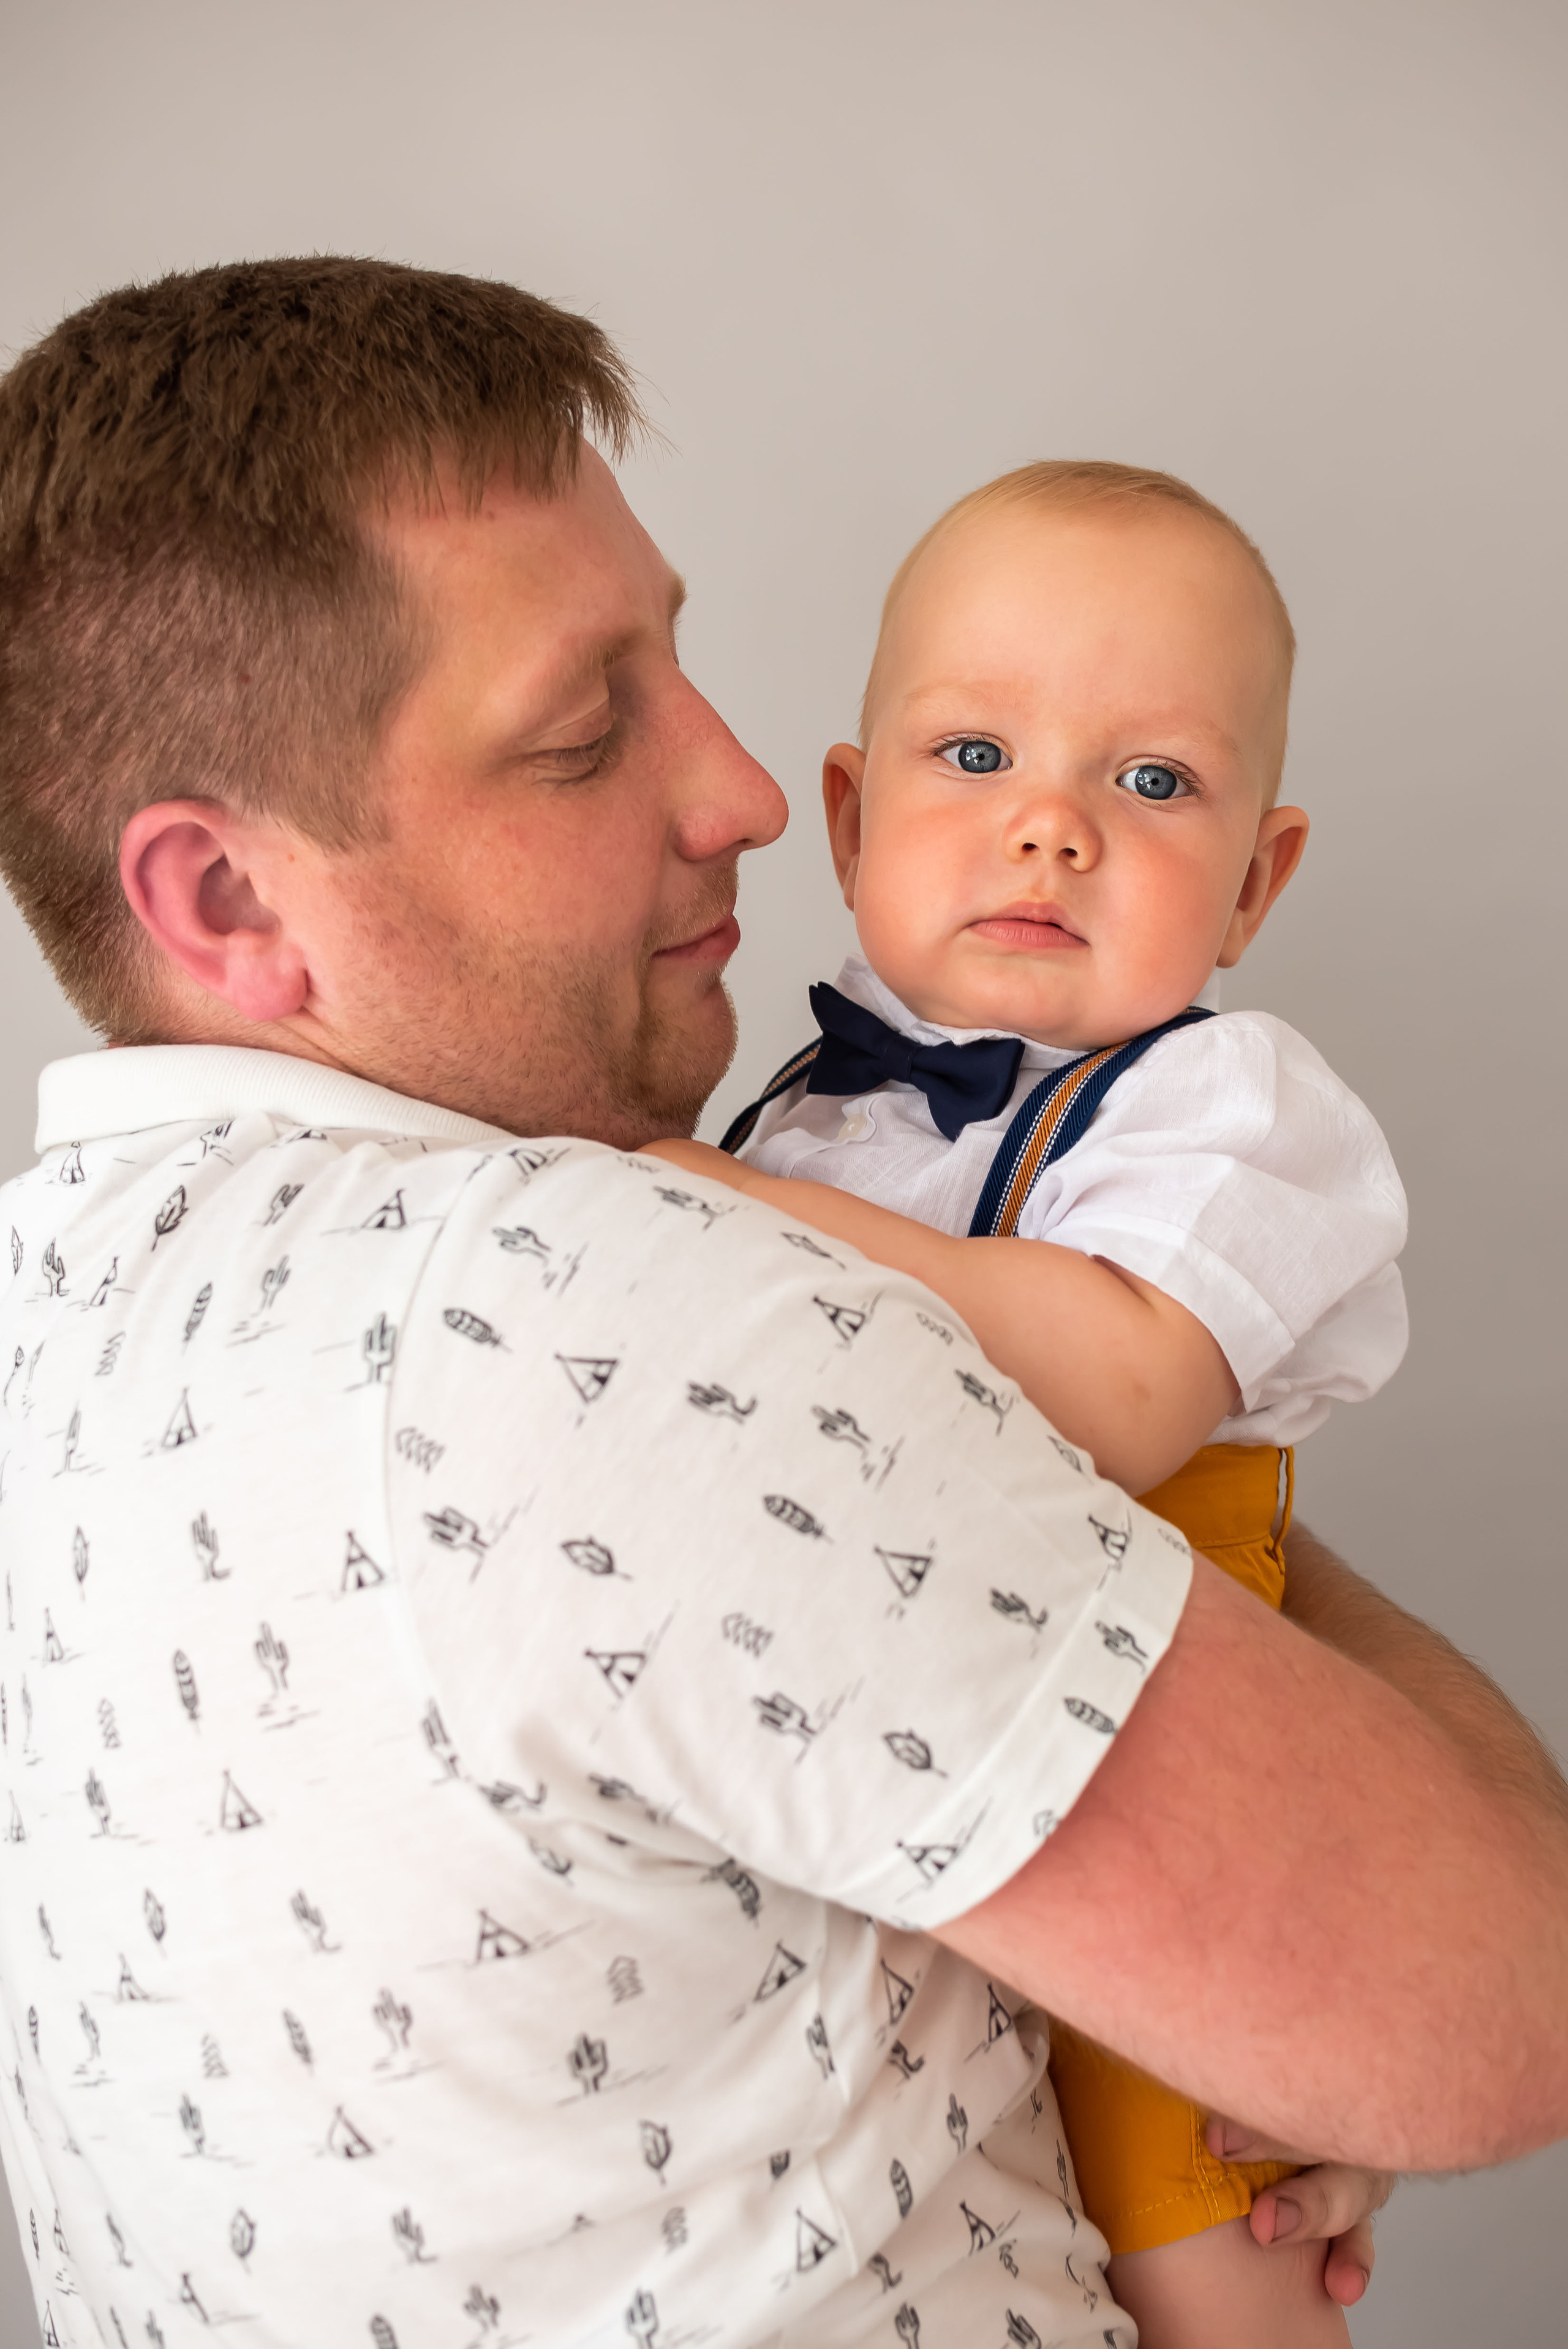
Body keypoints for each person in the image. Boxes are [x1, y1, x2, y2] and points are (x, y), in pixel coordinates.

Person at [0, 262, 1564, 2349]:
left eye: (679, 665)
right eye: (582, 734)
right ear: (225, 898)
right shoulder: (595, 1291)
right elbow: (1492, 1997)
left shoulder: (57, 1314)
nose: (742, 788)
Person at [651, 459, 1408, 2344]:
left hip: (1156, 1762)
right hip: (917, 1774)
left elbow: (1131, 1386)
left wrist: (713, 1204)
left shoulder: (1232, 1106)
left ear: (1258, 878)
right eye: (973, 756)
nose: (1050, 828)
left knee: (1190, 2215)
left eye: (1150, 783)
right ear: (849, 815)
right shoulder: (807, 1111)